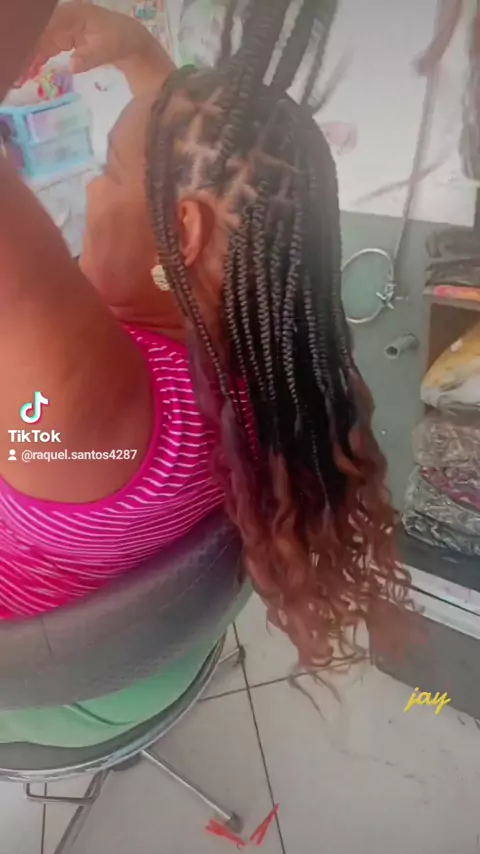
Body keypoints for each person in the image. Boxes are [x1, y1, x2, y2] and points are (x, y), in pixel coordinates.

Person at [1, 0, 409, 695]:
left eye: (107, 169)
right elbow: (197, 162)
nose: (92, 188)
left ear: (182, 232)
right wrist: (138, 52)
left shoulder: (87, 414)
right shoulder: (258, 357)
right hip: (113, 640)